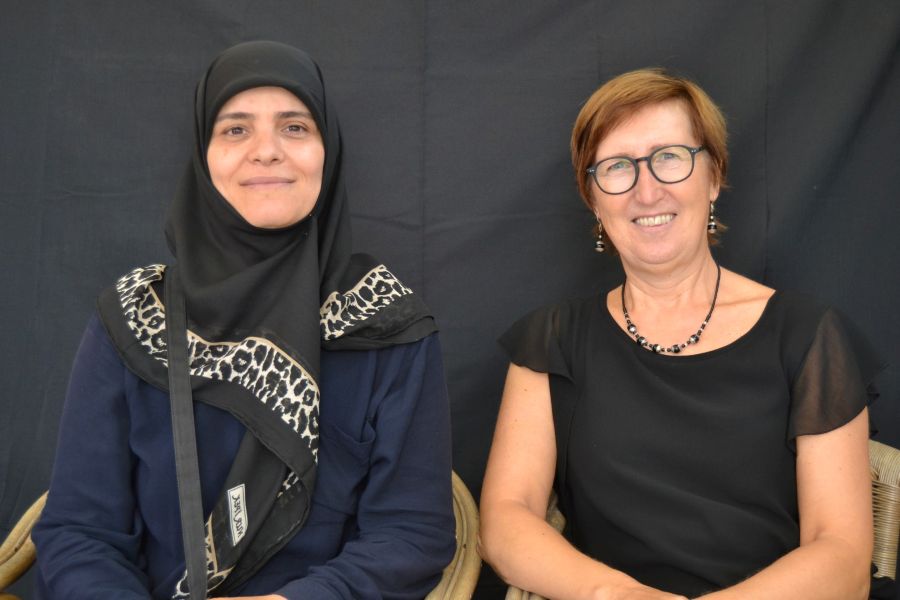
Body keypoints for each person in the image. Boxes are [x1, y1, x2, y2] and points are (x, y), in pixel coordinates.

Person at [32, 41, 455, 599]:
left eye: (295, 128)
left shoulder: (385, 322)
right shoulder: (134, 318)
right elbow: (80, 533)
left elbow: (411, 534)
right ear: (203, 156)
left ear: (327, 152)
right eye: (235, 129)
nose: (267, 151)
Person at [479, 68, 891, 599]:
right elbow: (505, 521)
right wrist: (617, 595)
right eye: (618, 166)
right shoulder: (553, 340)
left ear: (713, 176)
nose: (647, 190)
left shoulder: (808, 336)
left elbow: (842, 555)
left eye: (670, 157)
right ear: (594, 199)